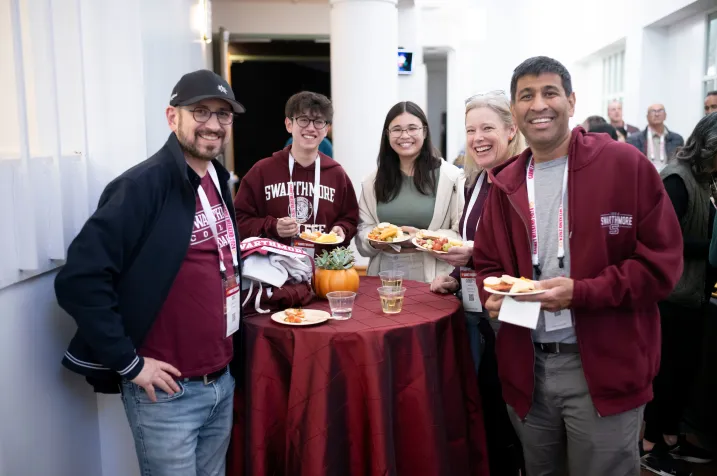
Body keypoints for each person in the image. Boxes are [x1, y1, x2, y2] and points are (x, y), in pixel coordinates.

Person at [473, 56, 684, 476]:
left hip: (603, 372)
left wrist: (581, 292)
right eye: (526, 96)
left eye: (550, 92)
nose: (539, 105)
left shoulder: (625, 166)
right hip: (528, 370)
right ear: (514, 113)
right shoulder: (505, 183)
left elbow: (662, 267)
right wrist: (492, 294)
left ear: (570, 100)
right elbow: (486, 264)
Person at [55, 69, 243, 475]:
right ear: (172, 117)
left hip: (221, 381)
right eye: (200, 112)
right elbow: (80, 280)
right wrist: (130, 364)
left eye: (223, 115)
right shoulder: (142, 185)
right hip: (168, 394)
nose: (213, 124)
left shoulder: (217, 179)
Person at [430, 91, 527, 476]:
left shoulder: (518, 183)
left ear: (510, 129)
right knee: (488, 408)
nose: (478, 137)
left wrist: (470, 255)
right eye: (471, 129)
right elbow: (473, 243)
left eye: (487, 128)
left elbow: (517, 253)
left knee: (510, 417)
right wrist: (455, 279)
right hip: (480, 313)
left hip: (511, 317)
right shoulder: (479, 180)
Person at [640, 113, 717, 476]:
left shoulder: (703, 180)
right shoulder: (677, 179)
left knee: (684, 374)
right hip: (670, 298)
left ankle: (671, 438)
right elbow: (662, 241)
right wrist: (713, 246)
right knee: (666, 375)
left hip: (691, 295)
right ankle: (650, 446)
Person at [233, 91, 358, 258]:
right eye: (303, 120)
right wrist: (272, 226)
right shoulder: (262, 171)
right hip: (274, 270)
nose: (311, 128)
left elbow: (350, 219)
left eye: (319, 122)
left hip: (323, 270)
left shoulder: (336, 174)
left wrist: (342, 229)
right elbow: (238, 220)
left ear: (326, 129)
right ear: (289, 124)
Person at [356, 101, 464, 283]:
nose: (404, 135)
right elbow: (362, 231)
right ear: (387, 135)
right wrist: (373, 241)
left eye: (412, 128)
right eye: (396, 129)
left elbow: (461, 233)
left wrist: (422, 239)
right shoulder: (372, 182)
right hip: (384, 276)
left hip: (433, 278)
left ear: (425, 131)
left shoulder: (451, 178)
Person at [627, 103, 684, 171]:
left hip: (669, 177)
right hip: (645, 177)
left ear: (665, 116)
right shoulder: (634, 139)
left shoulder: (677, 139)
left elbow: (680, 164)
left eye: (660, 111)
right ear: (647, 117)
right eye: (653, 111)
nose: (657, 114)